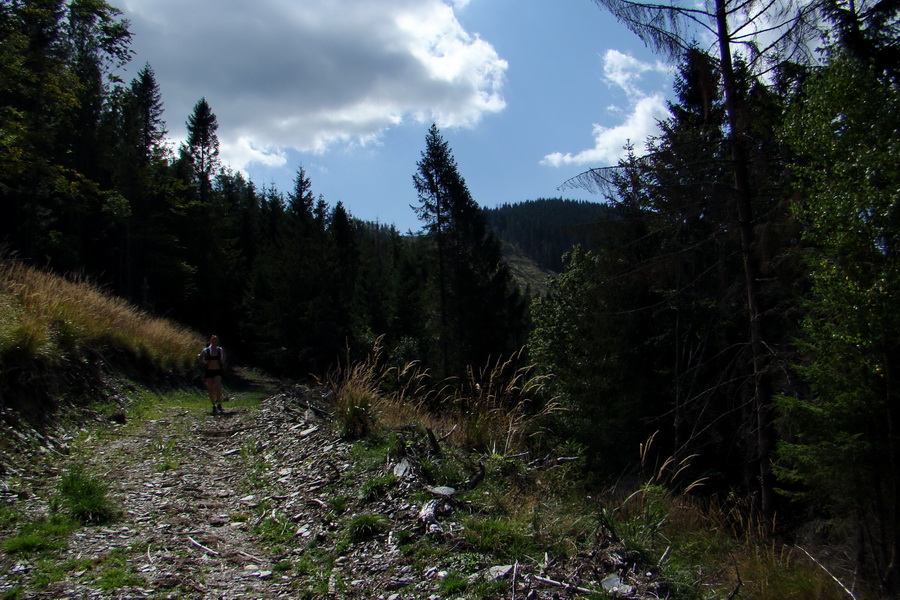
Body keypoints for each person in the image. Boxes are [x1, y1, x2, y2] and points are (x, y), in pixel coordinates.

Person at [199, 334, 226, 414]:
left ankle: (219, 403)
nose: (215, 342)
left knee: (218, 386)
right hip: (209, 371)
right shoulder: (206, 350)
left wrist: (223, 361)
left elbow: (224, 357)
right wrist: (204, 362)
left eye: (216, 341)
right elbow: (200, 358)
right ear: (211, 341)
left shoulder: (219, 350)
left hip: (217, 370)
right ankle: (213, 405)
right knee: (211, 389)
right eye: (213, 340)